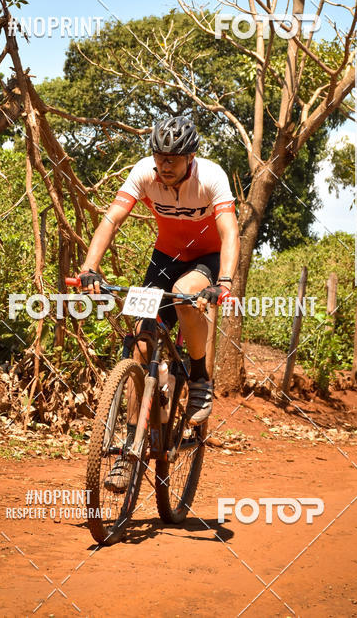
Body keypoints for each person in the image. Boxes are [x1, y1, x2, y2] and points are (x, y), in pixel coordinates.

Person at [77, 115, 240, 491]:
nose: (164, 165)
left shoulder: (212, 177)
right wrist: (90, 268)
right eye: (159, 156)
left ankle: (198, 376)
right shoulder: (144, 173)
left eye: (173, 158)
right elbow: (112, 219)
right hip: (164, 258)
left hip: (207, 260)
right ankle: (128, 452)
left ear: (190, 157)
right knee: (141, 337)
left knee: (186, 296)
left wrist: (225, 282)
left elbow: (229, 231)